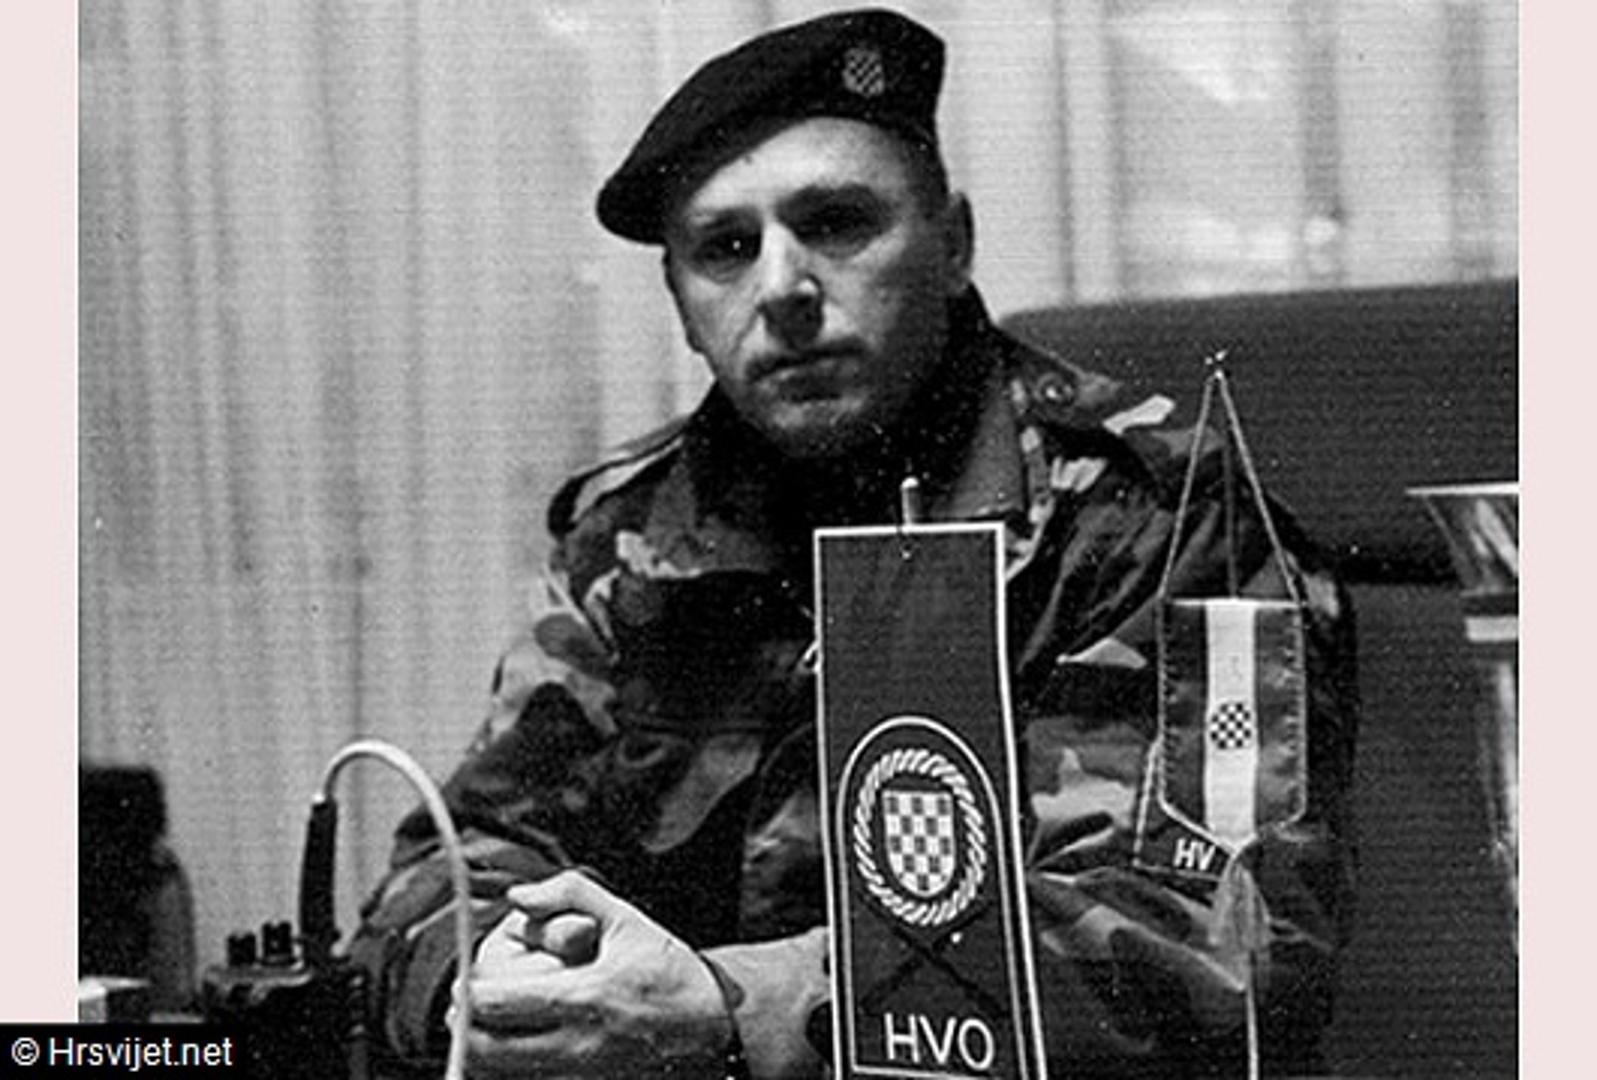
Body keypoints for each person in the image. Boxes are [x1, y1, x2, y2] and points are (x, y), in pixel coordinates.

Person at [351, 8, 1358, 1077]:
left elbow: (1220, 941)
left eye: (835, 224)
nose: (781, 288)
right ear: (682, 307)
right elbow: (450, 863)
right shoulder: (634, 532)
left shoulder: (1161, 516)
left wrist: (734, 1008)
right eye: (725, 249)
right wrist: (498, 980)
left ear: (953, 244)